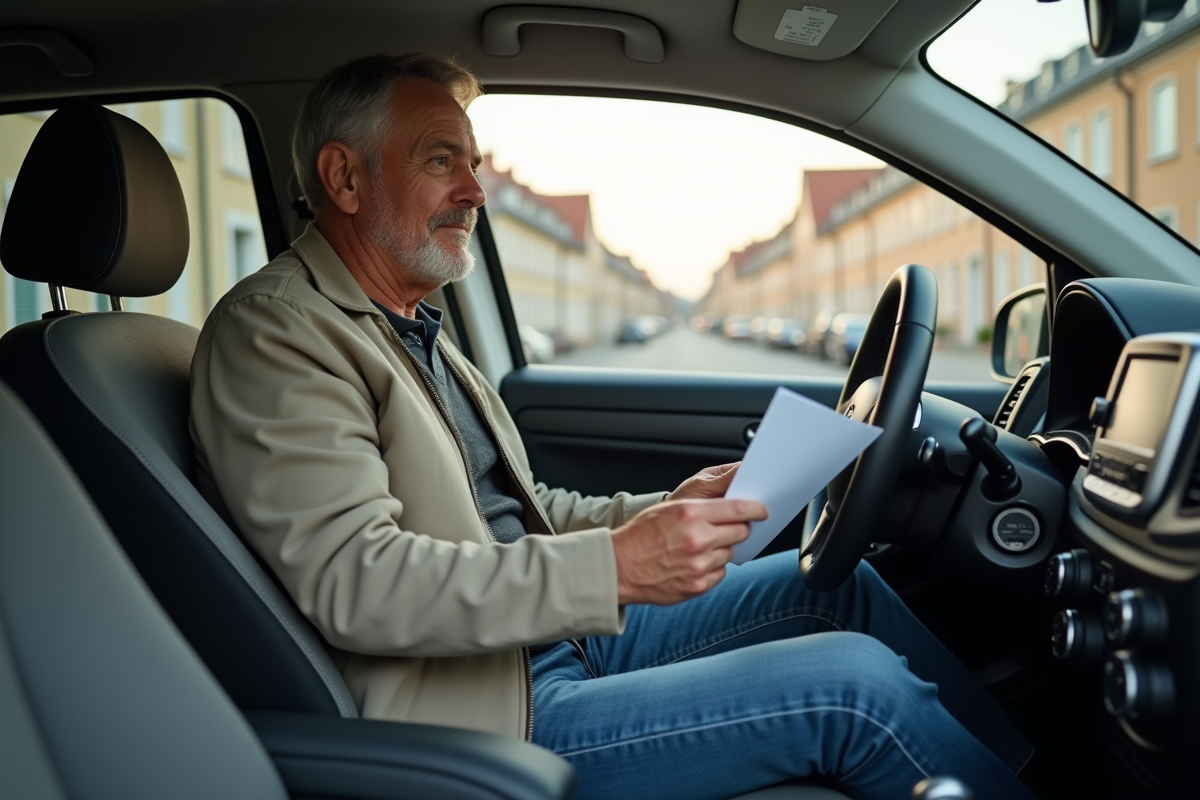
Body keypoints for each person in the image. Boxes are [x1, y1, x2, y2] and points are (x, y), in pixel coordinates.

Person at [189, 53, 1035, 800]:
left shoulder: (412, 327)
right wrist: (618, 567)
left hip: (537, 642)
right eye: (441, 160)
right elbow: (360, 582)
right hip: (489, 713)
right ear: (344, 179)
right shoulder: (279, 332)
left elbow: (523, 515)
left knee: (840, 588)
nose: (475, 192)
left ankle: (1026, 776)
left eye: (473, 163)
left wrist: (663, 513)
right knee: (854, 686)